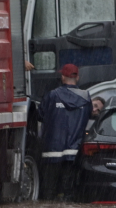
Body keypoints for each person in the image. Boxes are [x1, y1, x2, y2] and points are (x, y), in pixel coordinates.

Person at [39, 63, 91, 200]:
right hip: (75, 153)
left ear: (63, 77)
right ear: (77, 78)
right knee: (69, 193)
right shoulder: (86, 97)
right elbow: (89, 116)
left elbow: (41, 115)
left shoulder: (52, 95)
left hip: (52, 151)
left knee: (48, 192)